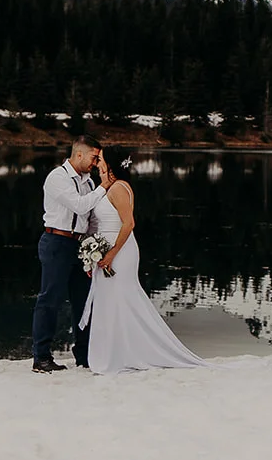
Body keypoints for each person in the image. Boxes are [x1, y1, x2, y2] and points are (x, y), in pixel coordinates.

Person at [77, 145, 207, 374]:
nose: (98, 162)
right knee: (111, 301)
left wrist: (110, 253)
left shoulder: (118, 188)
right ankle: (116, 352)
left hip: (120, 251)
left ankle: (123, 354)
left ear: (111, 164)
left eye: (102, 160)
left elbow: (129, 224)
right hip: (107, 250)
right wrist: (93, 253)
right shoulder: (109, 187)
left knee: (120, 298)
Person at [32, 136, 106, 373]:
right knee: (49, 300)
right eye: (94, 157)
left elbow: (90, 216)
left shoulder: (89, 182)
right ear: (79, 154)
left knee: (83, 302)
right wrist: (105, 186)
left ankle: (84, 356)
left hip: (80, 246)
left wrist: (96, 245)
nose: (96, 163)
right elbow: (80, 206)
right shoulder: (57, 178)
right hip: (56, 242)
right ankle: (41, 357)